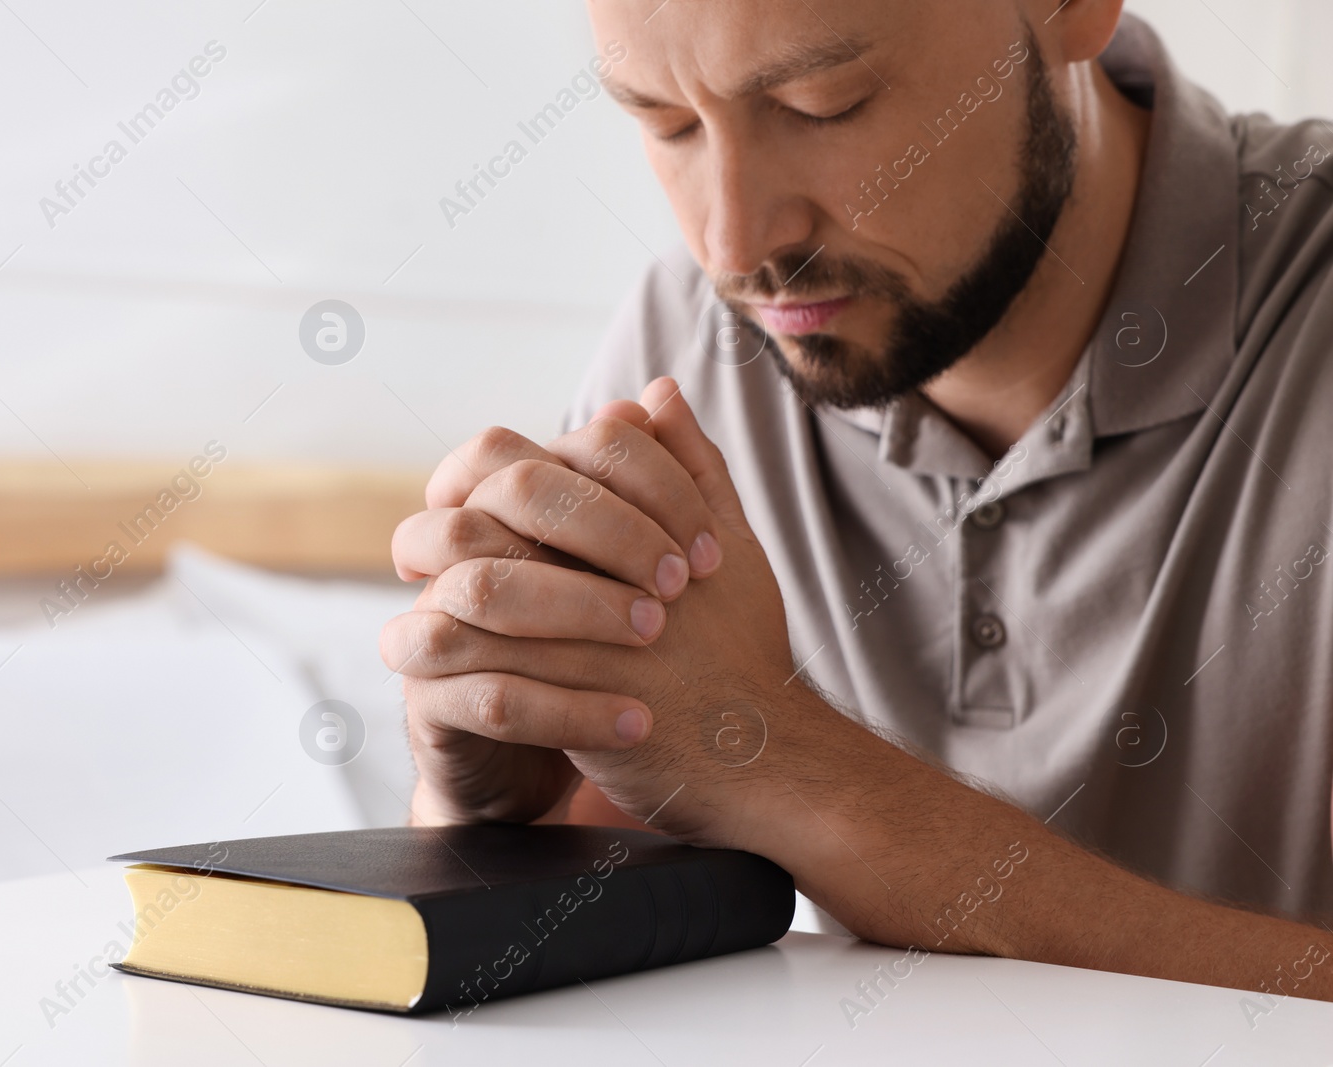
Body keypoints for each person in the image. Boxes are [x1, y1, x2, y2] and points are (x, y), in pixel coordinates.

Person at [383, 0, 1333, 1002]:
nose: (734, 241)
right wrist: (490, 811)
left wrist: (790, 770)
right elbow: (590, 957)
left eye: (821, 103)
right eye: (664, 122)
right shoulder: (688, 345)